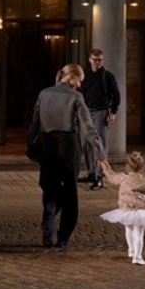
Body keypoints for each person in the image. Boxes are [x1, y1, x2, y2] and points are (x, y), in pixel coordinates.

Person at [28, 63, 109, 249]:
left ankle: (48, 230)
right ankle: (63, 237)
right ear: (71, 77)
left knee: (49, 187)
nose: (80, 85)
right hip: (69, 146)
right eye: (79, 80)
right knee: (70, 191)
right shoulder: (75, 96)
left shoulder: (44, 94)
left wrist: (30, 145)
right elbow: (89, 127)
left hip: (48, 144)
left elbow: (34, 123)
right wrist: (100, 152)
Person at [99, 152, 145, 265]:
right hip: (140, 209)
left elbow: (111, 178)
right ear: (142, 167)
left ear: (127, 166)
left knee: (129, 228)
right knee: (139, 233)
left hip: (126, 208)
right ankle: (137, 256)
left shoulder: (123, 177)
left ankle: (131, 249)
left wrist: (106, 167)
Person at [78, 48, 121, 191]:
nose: (97, 62)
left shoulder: (107, 76)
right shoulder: (84, 75)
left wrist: (113, 112)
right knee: (86, 144)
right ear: (90, 60)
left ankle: (99, 176)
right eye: (95, 60)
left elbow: (116, 95)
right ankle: (91, 172)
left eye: (100, 60)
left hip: (101, 112)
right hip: (86, 113)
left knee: (100, 145)